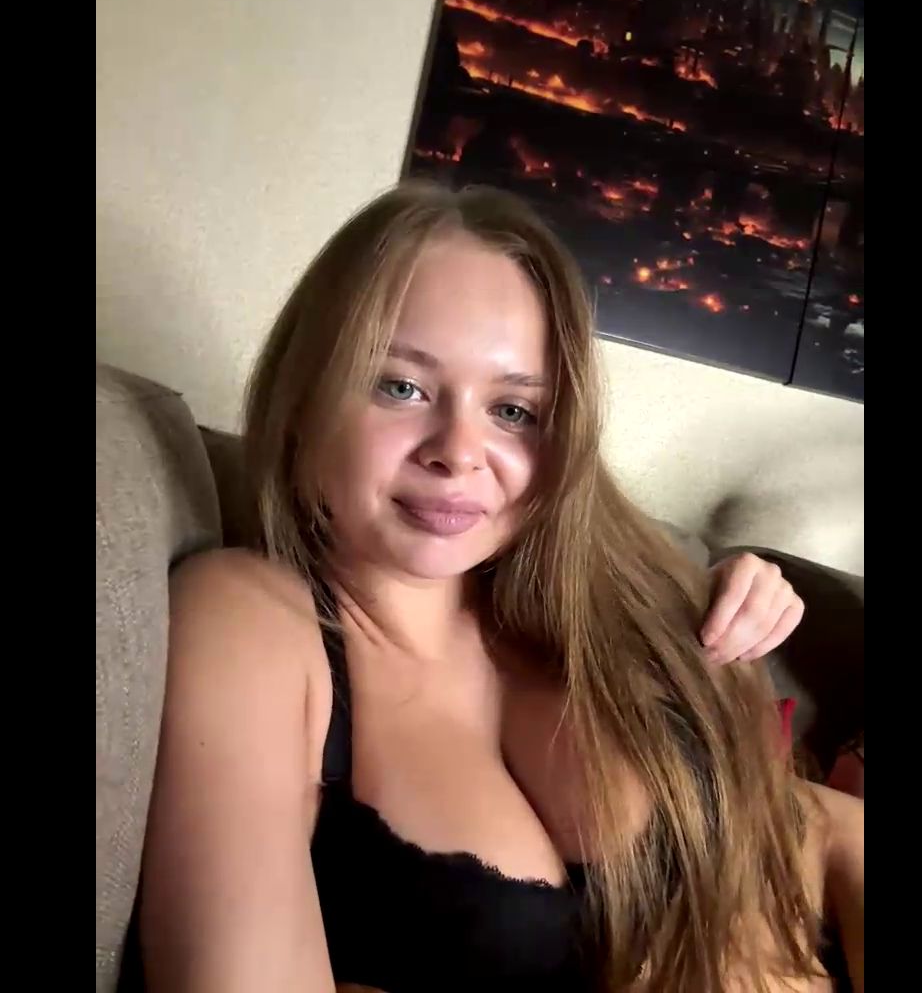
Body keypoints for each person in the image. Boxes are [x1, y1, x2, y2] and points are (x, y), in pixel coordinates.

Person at [135, 182, 862, 992]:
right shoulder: (247, 622)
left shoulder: (614, 611)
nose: (458, 451)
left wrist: (700, 624)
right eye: (401, 386)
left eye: (514, 410)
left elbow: (818, 829)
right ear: (308, 397)